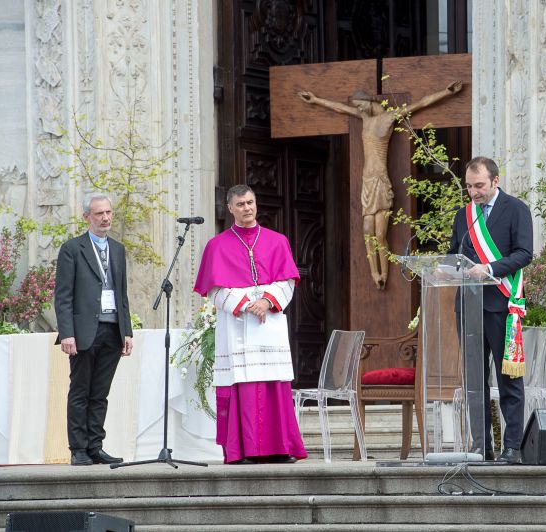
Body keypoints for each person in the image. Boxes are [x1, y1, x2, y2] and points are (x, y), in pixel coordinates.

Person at [298, 80, 463, 290]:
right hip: (367, 182)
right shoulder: (365, 118)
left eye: (360, 104)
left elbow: (421, 104)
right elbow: (340, 108)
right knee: (367, 229)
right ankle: (374, 272)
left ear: (369, 101)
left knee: (380, 234)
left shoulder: (389, 118)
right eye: (357, 106)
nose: (358, 109)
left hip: (381, 181)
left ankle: (383, 274)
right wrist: (316, 100)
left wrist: (446, 91)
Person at [194, 184, 307, 464]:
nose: (247, 208)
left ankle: (280, 448)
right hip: (237, 327)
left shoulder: (277, 240)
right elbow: (213, 290)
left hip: (269, 324)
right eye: (241, 204)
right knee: (241, 385)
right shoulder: (216, 245)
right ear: (230, 208)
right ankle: (240, 451)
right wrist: (245, 304)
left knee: (273, 386)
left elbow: (288, 281)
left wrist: (267, 301)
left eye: (250, 202)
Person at [448, 157, 534, 464]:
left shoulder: (516, 209)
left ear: (495, 181)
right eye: (469, 186)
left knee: (507, 377)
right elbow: (454, 251)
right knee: (474, 380)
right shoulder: (464, 215)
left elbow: (524, 253)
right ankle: (481, 445)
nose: (474, 192)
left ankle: (512, 446)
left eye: (479, 185)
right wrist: (448, 268)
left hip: (501, 303)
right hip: (468, 305)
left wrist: (490, 268)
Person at [54, 193, 133, 466]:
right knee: (80, 392)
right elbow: (63, 296)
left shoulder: (118, 250)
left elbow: (121, 294)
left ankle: (95, 446)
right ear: (86, 217)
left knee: (100, 393)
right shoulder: (72, 249)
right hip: (84, 331)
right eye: (99, 213)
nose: (106, 218)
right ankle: (78, 449)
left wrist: (127, 331)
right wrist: (67, 333)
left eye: (109, 212)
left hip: (112, 330)